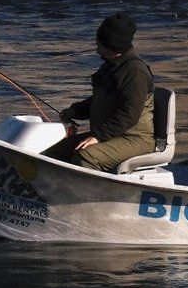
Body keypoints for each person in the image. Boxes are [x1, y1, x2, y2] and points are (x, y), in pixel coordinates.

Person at [44, 12, 155, 172]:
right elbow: (98, 100)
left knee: (86, 156)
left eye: (99, 40)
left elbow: (129, 114)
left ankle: (81, 195)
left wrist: (98, 136)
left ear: (110, 44)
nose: (96, 43)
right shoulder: (111, 66)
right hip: (111, 135)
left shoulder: (135, 72)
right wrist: (75, 111)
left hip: (135, 139)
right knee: (58, 151)